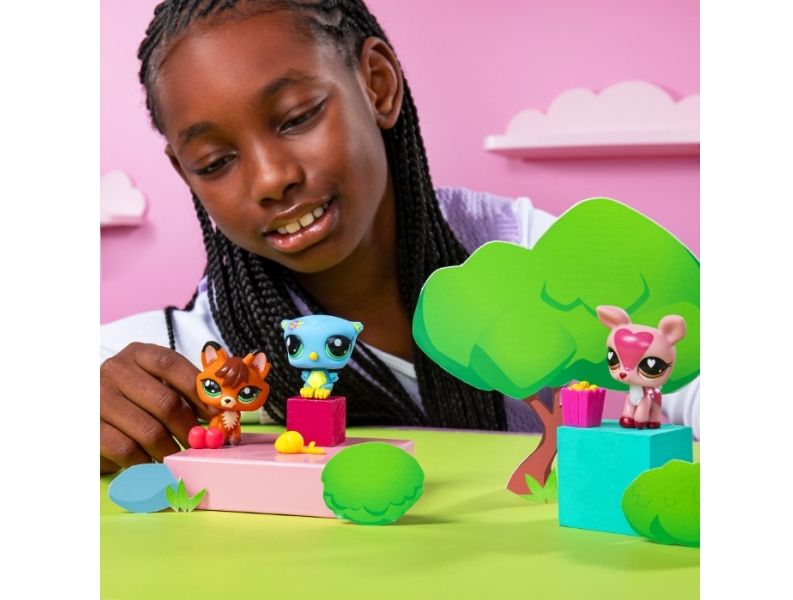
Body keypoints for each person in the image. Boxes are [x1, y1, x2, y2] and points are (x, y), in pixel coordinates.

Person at [101, 0, 699, 474]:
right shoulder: (193, 359)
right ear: (185, 173)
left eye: (298, 117)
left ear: (378, 84)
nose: (270, 178)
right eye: (214, 161)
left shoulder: (532, 253)